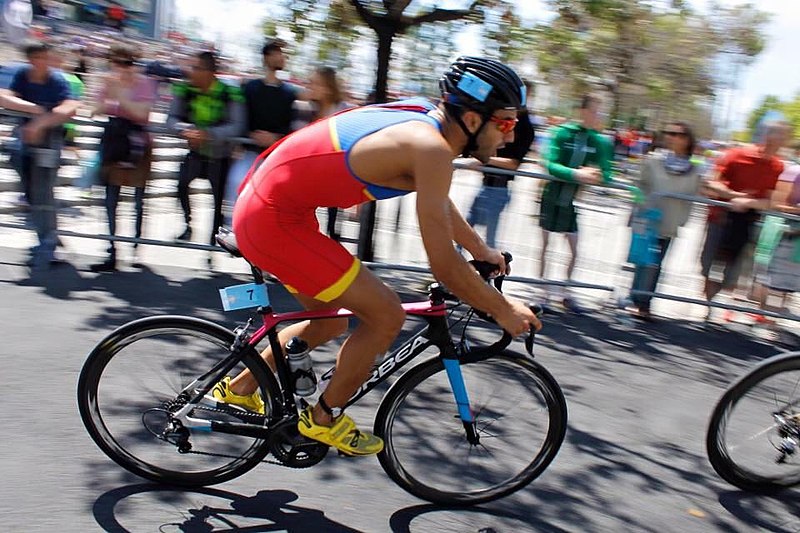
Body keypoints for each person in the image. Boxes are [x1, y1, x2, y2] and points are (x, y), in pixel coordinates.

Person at [212, 57, 542, 457]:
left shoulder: (428, 123)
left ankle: (240, 389)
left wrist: (480, 251)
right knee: (387, 314)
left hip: (273, 208)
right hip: (274, 219)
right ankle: (323, 420)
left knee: (329, 323)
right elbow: (444, 266)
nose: (511, 137)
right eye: (506, 123)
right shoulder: (432, 148)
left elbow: (434, 201)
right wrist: (501, 308)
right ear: (473, 120)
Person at [0, 40, 79, 269]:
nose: (43, 63)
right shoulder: (23, 75)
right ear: (31, 60)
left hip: (49, 143)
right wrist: (34, 109)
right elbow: (4, 96)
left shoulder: (56, 79)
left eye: (45, 58)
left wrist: (41, 123)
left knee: (44, 193)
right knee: (32, 194)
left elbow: (69, 107)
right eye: (38, 58)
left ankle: (49, 241)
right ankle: (47, 236)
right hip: (24, 144)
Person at [701, 121, 790, 322]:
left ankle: (715, 303)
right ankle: (707, 305)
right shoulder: (736, 155)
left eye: (786, 136)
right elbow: (711, 182)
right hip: (720, 217)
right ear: (768, 136)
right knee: (708, 263)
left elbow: (773, 200)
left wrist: (748, 202)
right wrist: (734, 195)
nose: (784, 141)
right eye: (781, 136)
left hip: (749, 222)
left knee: (734, 271)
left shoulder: (778, 166)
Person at [538, 94, 613, 313]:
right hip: (551, 198)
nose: (597, 116)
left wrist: (598, 175)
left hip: (571, 203)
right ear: (582, 111)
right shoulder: (562, 133)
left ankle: (565, 293)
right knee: (545, 246)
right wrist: (576, 175)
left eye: (600, 112)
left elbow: (607, 171)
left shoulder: (597, 140)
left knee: (574, 249)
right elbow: (550, 164)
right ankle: (542, 293)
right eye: (593, 111)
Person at [625, 122, 704, 321]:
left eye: (676, 134)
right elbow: (638, 185)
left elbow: (693, 195)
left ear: (686, 140)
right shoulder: (653, 161)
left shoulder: (694, 169)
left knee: (656, 264)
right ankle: (635, 299)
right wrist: (639, 209)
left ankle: (645, 302)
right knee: (642, 260)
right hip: (647, 219)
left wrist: (683, 219)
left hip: (669, 222)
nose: (670, 137)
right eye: (667, 132)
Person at [167, 50, 245, 244]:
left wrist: (209, 134)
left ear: (210, 72)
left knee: (218, 202)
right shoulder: (184, 90)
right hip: (195, 153)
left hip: (220, 157)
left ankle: (213, 243)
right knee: (181, 184)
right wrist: (185, 129)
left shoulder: (230, 93)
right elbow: (171, 119)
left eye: (195, 68)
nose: (190, 72)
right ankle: (187, 225)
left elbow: (238, 125)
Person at [90, 43, 156, 272]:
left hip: (138, 148)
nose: (123, 68)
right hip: (115, 145)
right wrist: (110, 97)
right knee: (110, 202)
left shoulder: (145, 83)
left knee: (138, 202)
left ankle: (137, 250)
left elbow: (142, 114)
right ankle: (112, 252)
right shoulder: (108, 82)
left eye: (128, 63)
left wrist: (121, 97)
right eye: (118, 62)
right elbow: (94, 109)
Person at [224, 39, 302, 225]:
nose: (283, 58)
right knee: (236, 182)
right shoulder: (250, 88)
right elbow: (242, 118)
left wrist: (275, 138)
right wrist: (250, 136)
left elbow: (291, 125)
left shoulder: (289, 93)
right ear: (267, 57)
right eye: (279, 53)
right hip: (251, 152)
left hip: (276, 156)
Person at [463, 85, 535, 248]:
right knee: (467, 228)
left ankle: (488, 270)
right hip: (487, 185)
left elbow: (513, 164)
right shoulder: (503, 116)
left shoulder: (526, 128)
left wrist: (483, 160)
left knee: (487, 238)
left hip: (498, 188)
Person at [304, 66, 353, 240]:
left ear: (327, 87)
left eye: (314, 83)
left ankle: (331, 236)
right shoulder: (308, 109)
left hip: (334, 168)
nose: (309, 87)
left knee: (332, 206)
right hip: (312, 168)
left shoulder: (343, 110)